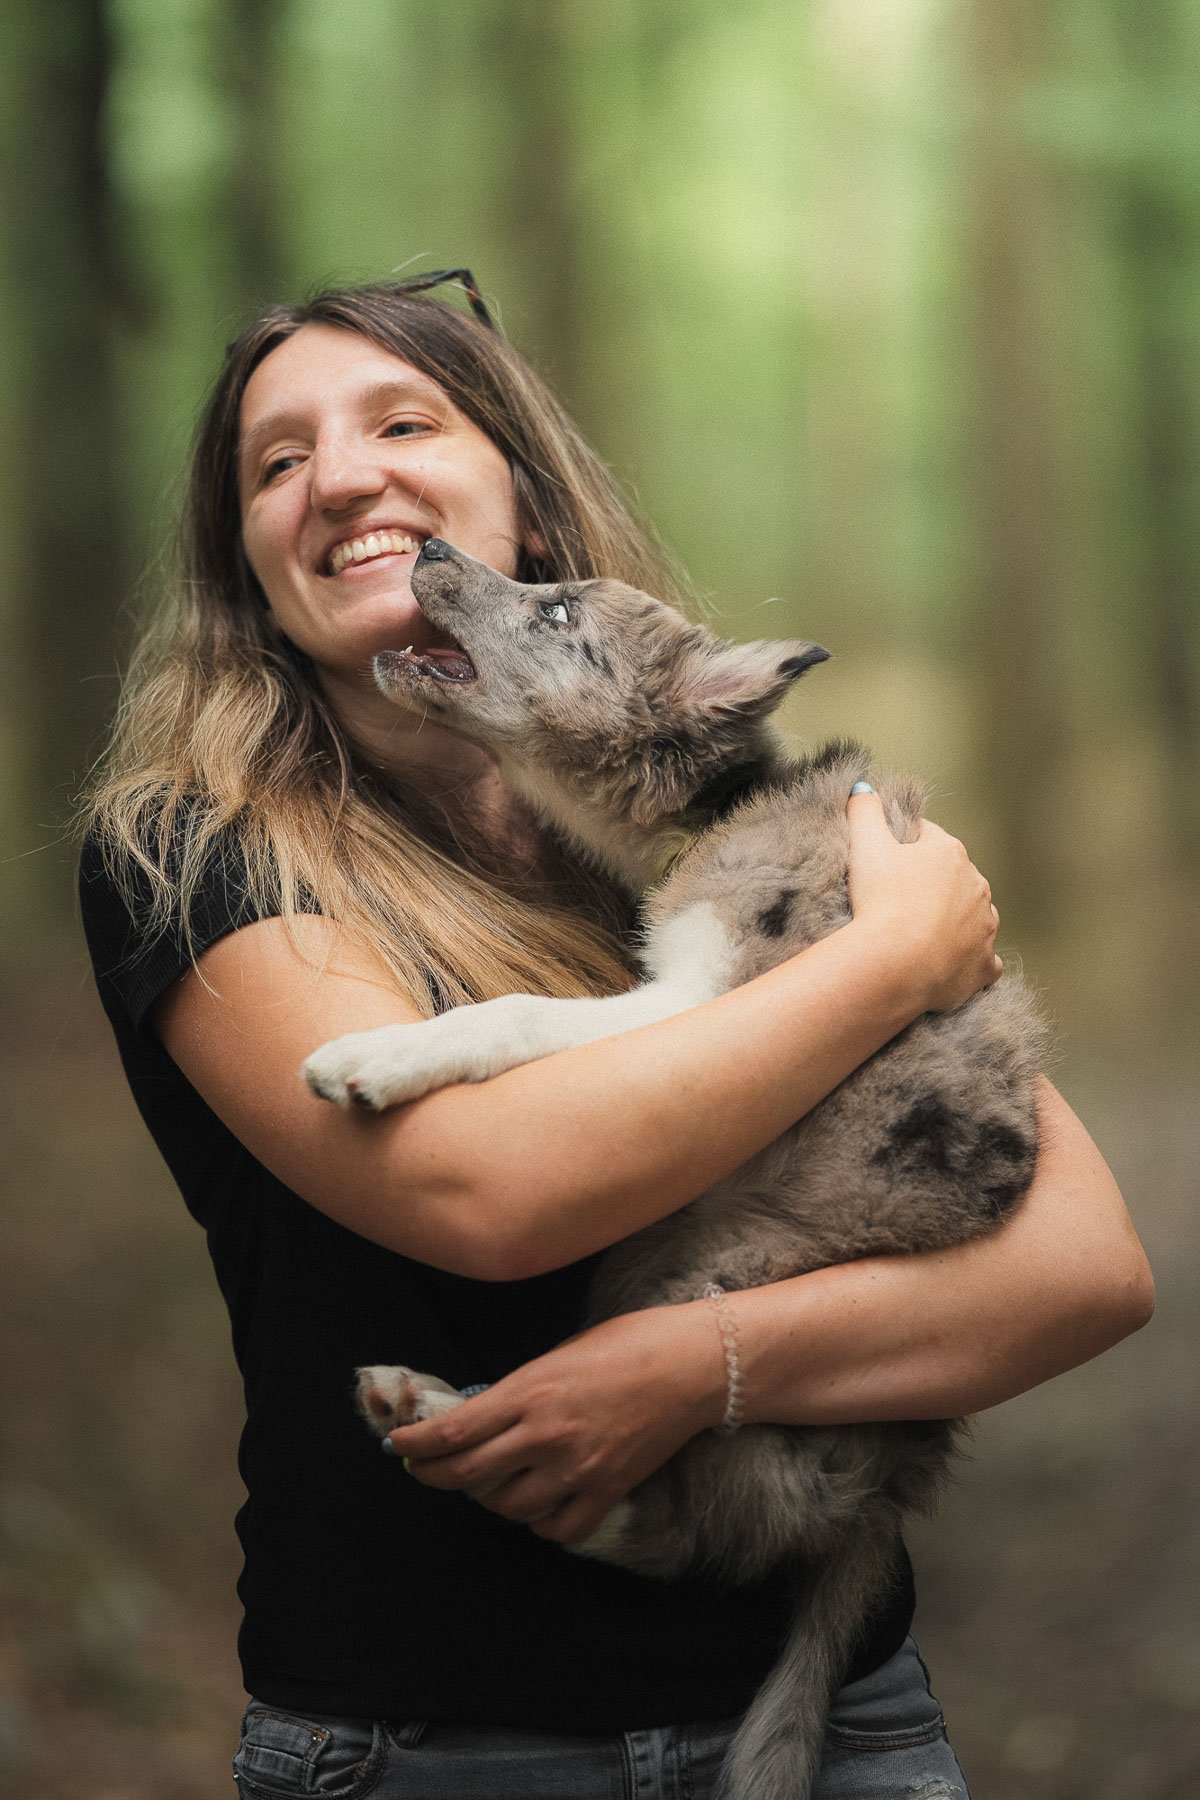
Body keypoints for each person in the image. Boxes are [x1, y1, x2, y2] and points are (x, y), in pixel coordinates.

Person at [79, 273, 1153, 1800]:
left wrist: (692, 1365)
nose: (343, 476)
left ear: (518, 491)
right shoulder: (192, 854)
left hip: (851, 1733)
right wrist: (892, 961)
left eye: (402, 419)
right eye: (276, 460)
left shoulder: (717, 835)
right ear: (248, 566)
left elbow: (1085, 1272)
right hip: (426, 1752)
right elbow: (486, 1196)